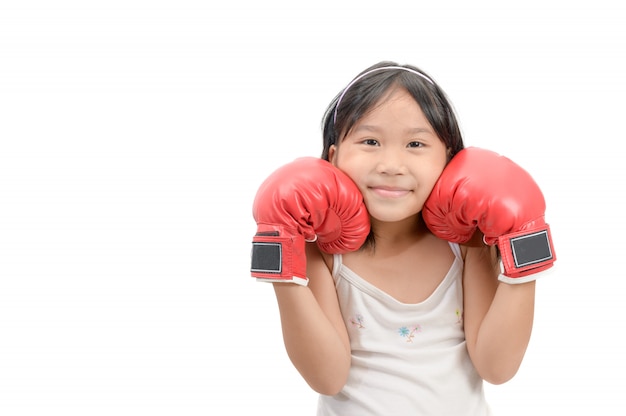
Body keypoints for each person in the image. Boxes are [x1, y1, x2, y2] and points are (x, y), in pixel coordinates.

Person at [250, 61, 556, 415]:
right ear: (333, 158)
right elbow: (327, 378)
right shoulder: (323, 253)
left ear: (450, 160)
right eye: (370, 141)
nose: (391, 164)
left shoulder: (467, 246)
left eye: (415, 143)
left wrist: (522, 240)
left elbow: (497, 367)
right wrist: (283, 259)